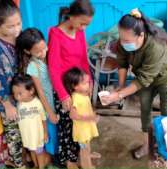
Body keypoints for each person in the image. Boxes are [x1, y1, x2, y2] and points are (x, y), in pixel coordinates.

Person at [102, 8, 167, 159]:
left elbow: (143, 79)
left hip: (166, 77)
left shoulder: (155, 47)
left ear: (141, 35)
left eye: (128, 41)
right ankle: (148, 144)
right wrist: (121, 85)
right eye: (121, 38)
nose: (123, 43)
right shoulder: (123, 42)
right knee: (144, 108)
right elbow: (122, 62)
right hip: (145, 78)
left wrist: (118, 95)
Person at [47, 0, 94, 168]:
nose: (84, 28)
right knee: (68, 125)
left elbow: (83, 59)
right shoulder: (55, 33)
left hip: (80, 85)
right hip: (64, 87)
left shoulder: (79, 32)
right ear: (72, 17)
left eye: (87, 24)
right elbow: (53, 67)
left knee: (82, 123)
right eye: (82, 23)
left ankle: (83, 153)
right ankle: (70, 161)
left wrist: (89, 81)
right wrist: (63, 94)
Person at [0, 0, 23, 167]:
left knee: (24, 131)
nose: (16, 29)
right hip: (7, 101)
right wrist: (7, 104)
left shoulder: (16, 37)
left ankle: (26, 157)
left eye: (18, 23)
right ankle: (18, 163)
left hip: (22, 94)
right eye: (10, 26)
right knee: (14, 135)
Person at [16, 28, 58, 164]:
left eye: (44, 47)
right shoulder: (33, 67)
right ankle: (51, 157)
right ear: (28, 51)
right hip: (47, 106)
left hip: (57, 101)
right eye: (38, 51)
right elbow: (40, 92)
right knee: (51, 134)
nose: (43, 52)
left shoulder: (49, 56)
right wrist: (50, 112)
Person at [63, 67, 99, 169]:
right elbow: (72, 115)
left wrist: (91, 115)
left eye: (88, 82)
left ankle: (89, 155)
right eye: (85, 83)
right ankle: (86, 165)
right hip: (82, 131)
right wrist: (89, 118)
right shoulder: (75, 98)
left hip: (86, 128)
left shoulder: (83, 94)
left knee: (87, 146)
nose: (88, 85)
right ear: (75, 86)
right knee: (84, 150)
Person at [12, 74, 48, 169]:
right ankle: (36, 165)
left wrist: (45, 133)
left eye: (20, 93)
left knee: (39, 152)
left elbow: (43, 119)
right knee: (32, 150)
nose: (17, 97)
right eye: (14, 94)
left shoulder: (37, 103)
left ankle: (41, 166)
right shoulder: (18, 104)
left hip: (37, 136)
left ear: (31, 90)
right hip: (27, 136)